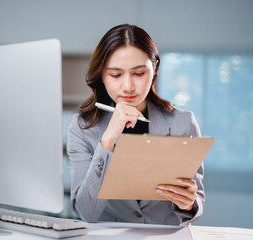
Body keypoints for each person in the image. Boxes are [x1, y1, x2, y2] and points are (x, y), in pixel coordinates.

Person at [67, 24, 204, 226]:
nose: (128, 86)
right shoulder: (82, 128)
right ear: (101, 75)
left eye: (139, 73)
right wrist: (107, 141)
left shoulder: (183, 123)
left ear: (155, 67)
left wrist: (189, 204)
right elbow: (86, 213)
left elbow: (197, 199)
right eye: (115, 75)